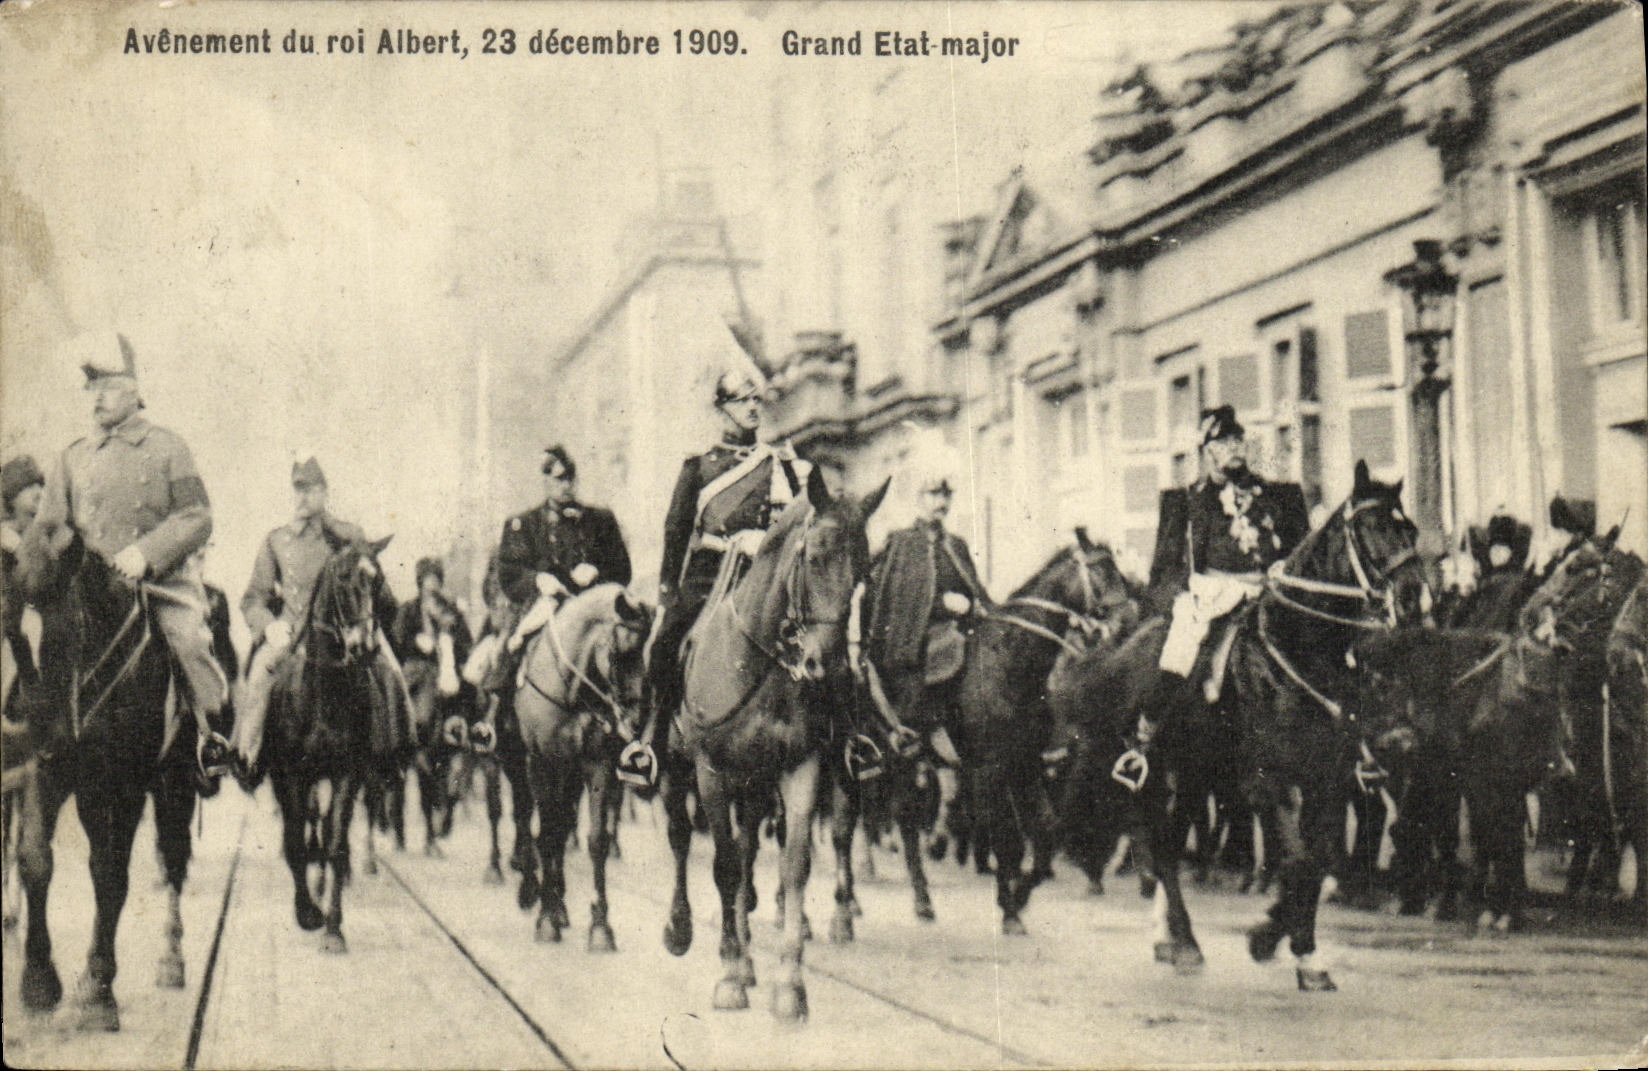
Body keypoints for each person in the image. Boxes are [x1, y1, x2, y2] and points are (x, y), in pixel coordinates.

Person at [29, 332, 232, 777]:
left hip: (157, 584)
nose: (98, 399)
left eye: (109, 388)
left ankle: (208, 738)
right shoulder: (72, 456)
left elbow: (197, 515)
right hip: (87, 587)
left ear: (136, 392)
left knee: (191, 642)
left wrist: (147, 551)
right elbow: (48, 525)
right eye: (93, 389)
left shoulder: (167, 447)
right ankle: (32, 734)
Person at [621, 370, 804, 785]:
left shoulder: (779, 462)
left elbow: (798, 517)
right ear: (722, 411)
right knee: (664, 645)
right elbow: (676, 530)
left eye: (757, 399)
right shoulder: (699, 466)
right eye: (742, 401)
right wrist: (668, 592)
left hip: (763, 572)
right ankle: (650, 741)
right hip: (710, 574)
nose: (753, 407)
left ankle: (839, 740)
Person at [1123, 406, 1309, 778]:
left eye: (1238, 439)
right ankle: (1144, 736)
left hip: (1269, 592)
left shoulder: (1276, 495)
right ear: (1207, 450)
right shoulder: (1186, 501)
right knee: (1182, 647)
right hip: (1212, 595)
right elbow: (1164, 570)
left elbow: (1299, 551)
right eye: (1224, 442)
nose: (1234, 447)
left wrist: (1282, 571)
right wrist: (1182, 595)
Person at [231, 456, 395, 783]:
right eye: (298, 490)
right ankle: (247, 756)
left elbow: (375, 587)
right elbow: (253, 598)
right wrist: (269, 625)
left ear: (325, 492)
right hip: (291, 637)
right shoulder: (277, 540)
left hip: (346, 635)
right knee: (261, 674)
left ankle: (391, 756)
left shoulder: (349, 535)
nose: (303, 497)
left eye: (311, 489)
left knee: (390, 673)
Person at [858, 471, 989, 770]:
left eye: (946, 495)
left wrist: (973, 606)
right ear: (919, 498)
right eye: (933, 494)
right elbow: (894, 600)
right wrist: (941, 605)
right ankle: (920, 744)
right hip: (913, 644)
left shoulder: (956, 544)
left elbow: (976, 592)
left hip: (961, 634)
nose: (941, 502)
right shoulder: (901, 543)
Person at [496, 443, 631, 654]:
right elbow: (509, 573)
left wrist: (597, 571)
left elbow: (623, 570)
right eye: (560, 479)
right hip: (544, 607)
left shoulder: (600, 520)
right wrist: (537, 580)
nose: (567, 485)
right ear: (545, 481)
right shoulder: (525, 524)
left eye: (571, 478)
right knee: (508, 661)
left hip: (594, 608)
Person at [392, 556, 473, 745]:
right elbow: (397, 642)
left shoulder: (451, 610)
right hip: (418, 671)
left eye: (435, 583)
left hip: (447, 670)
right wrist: (416, 643)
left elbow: (465, 643)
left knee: (470, 693)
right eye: (427, 584)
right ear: (420, 585)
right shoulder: (408, 610)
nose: (431, 589)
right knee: (417, 713)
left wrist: (449, 645)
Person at [2, 455, 46, 719]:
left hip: (28, 607)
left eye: (40, 486)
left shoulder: (38, 529)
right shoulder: (6, 530)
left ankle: (26, 692)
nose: (38, 493)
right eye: (27, 487)